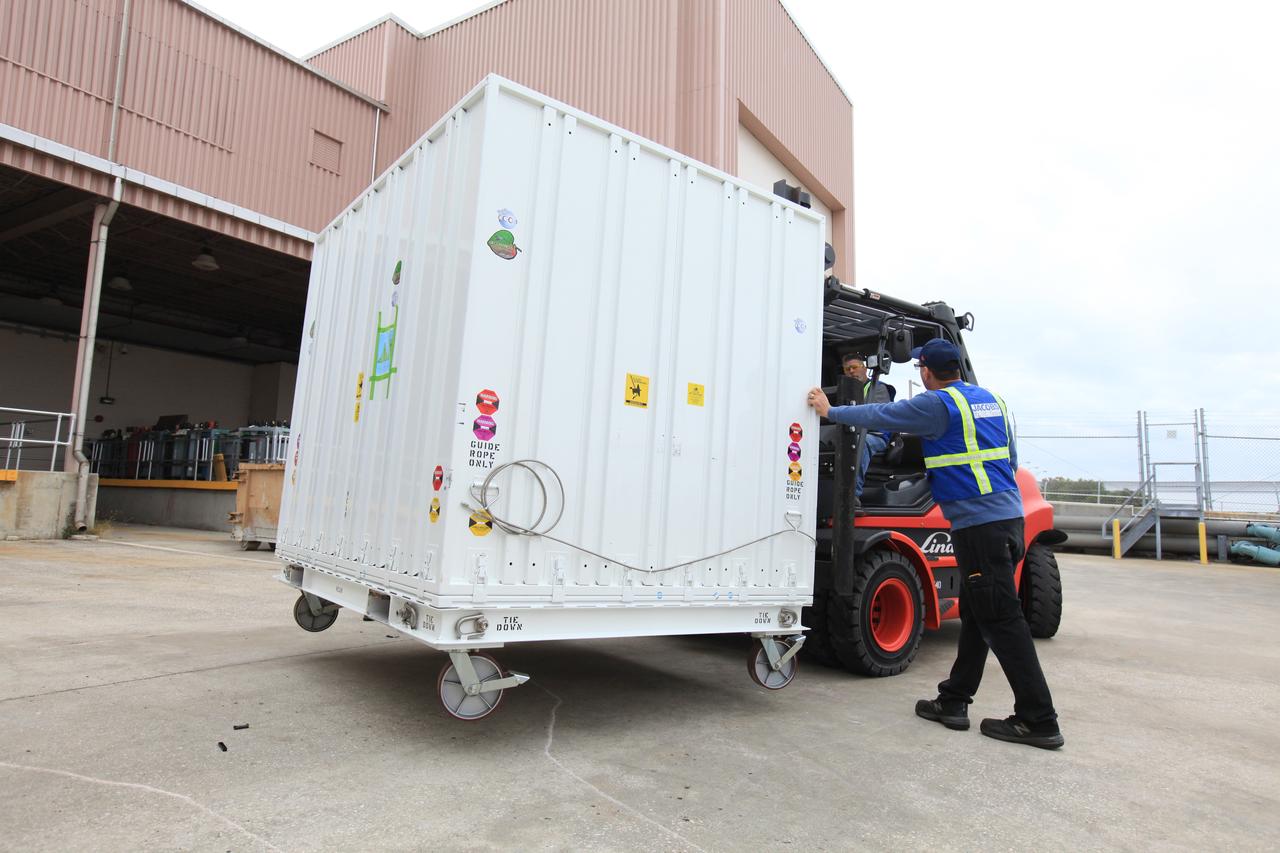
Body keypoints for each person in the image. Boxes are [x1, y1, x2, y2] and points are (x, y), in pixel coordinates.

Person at [807, 338, 1063, 750]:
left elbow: (882, 413)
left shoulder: (937, 405)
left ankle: (1039, 720)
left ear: (925, 371)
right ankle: (954, 701)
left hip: (980, 526)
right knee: (979, 615)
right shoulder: (992, 401)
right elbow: (1010, 461)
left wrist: (830, 410)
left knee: (1003, 620)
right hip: (1007, 520)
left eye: (921, 369)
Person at [840, 353, 891, 506]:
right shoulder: (843, 392)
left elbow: (878, 418)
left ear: (864, 368)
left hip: (875, 435)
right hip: (851, 431)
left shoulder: (878, 388)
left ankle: (852, 494)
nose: (851, 372)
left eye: (854, 367)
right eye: (847, 369)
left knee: (859, 441)